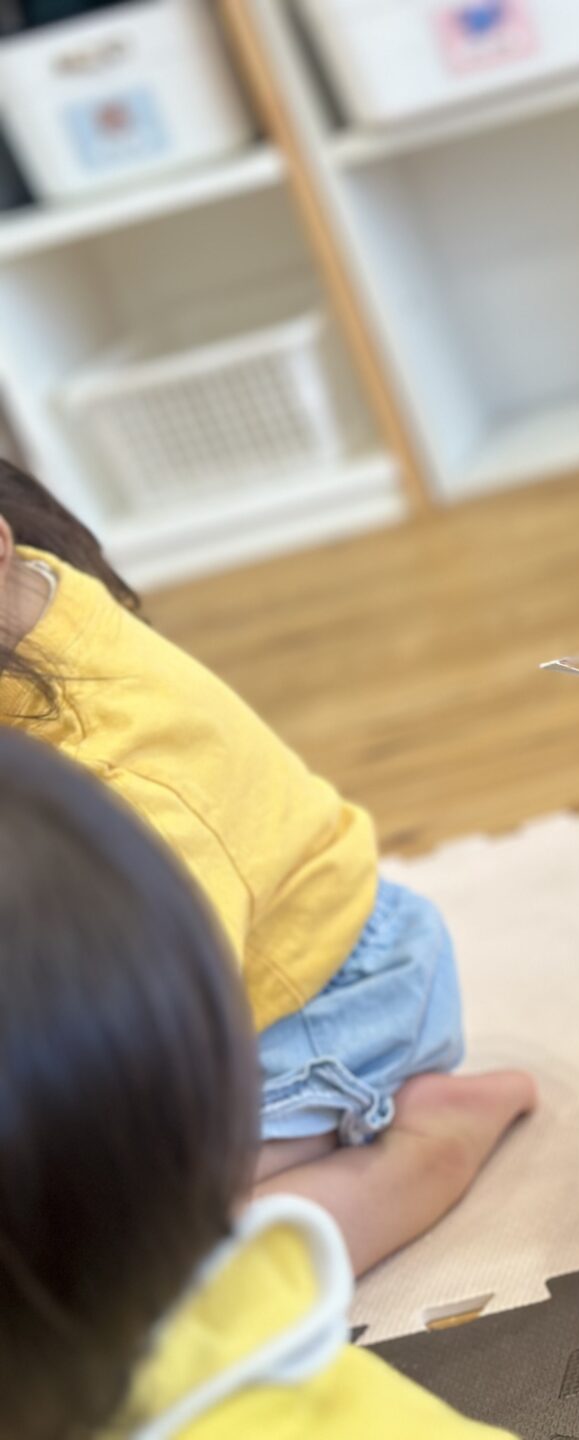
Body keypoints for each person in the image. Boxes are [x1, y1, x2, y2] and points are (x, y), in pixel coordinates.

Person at [0, 461, 534, 1276]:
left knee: (136, 1257)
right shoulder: (30, 602)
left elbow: (157, 1031)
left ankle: (430, 1142)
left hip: (323, 1010)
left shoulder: (115, 775)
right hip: (266, 958)